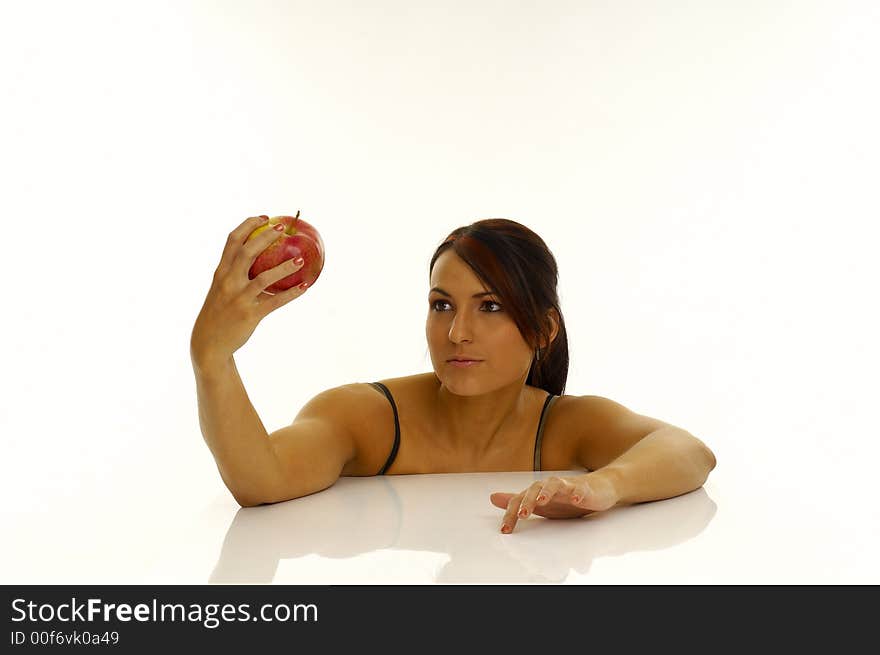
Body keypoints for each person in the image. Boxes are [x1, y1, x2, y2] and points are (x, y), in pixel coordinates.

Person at [190, 215, 717, 534]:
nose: (457, 332)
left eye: (489, 308)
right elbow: (261, 482)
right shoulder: (364, 416)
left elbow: (690, 452)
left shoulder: (565, 426)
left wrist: (603, 488)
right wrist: (212, 357)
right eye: (442, 306)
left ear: (543, 330)